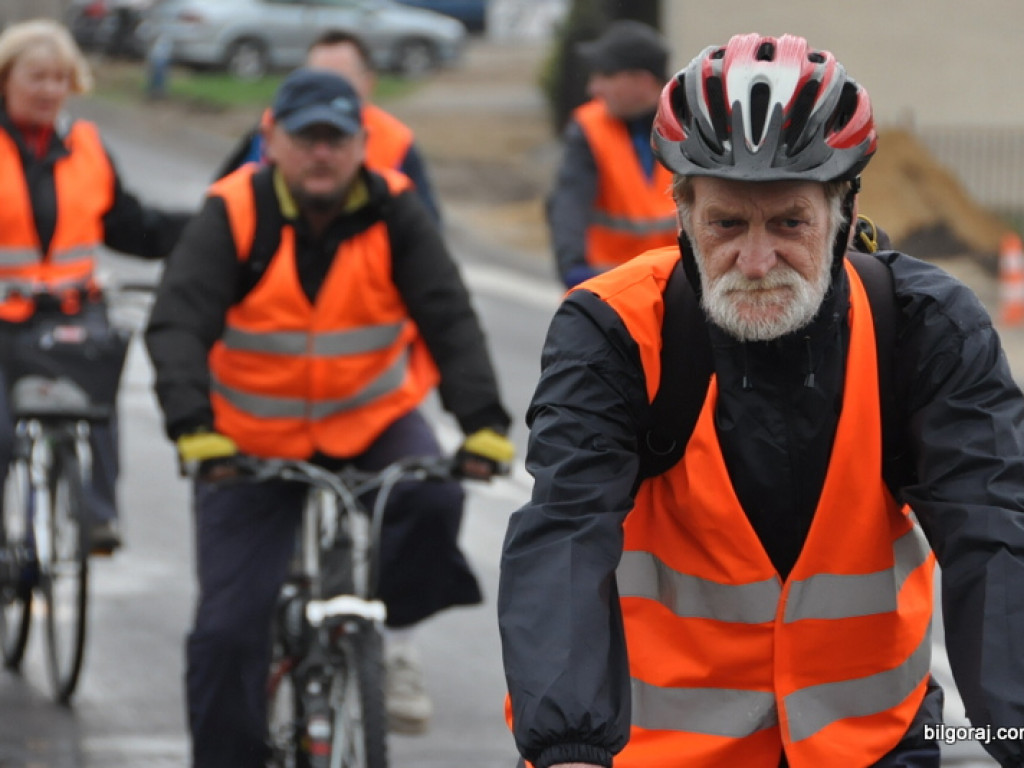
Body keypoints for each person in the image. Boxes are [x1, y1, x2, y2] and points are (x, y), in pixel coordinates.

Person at [499, 32, 1024, 768]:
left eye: (789, 224)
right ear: (681, 212)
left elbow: (996, 533)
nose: (756, 260)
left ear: (842, 211)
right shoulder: (612, 328)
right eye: (725, 224)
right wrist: (568, 746)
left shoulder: (925, 325)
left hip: (870, 741)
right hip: (666, 752)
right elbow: (564, 532)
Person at [144, 67, 515, 767]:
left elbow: (448, 315)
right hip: (247, 445)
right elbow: (176, 324)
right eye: (306, 137)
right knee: (228, 633)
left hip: (369, 419)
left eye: (336, 139)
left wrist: (483, 420)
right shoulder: (232, 212)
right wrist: (195, 426)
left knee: (436, 496)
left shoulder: (395, 208)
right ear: (271, 140)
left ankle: (382, 630)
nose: (322, 152)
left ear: (360, 146)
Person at [0, 18, 189, 553]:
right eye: (37, 77)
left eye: (61, 78)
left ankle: (97, 515)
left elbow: (131, 225)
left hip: (71, 313)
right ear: (6, 79)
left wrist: (209, 226)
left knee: (95, 396)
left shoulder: (87, 146)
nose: (50, 91)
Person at [216, 28, 443, 223]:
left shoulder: (396, 141)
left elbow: (427, 228)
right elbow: (227, 208)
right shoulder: (272, 128)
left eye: (340, 80)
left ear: (368, 82)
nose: (326, 89)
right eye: (315, 79)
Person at [547, 19, 678, 289]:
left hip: (678, 287)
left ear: (643, 81)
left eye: (604, 75)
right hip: (607, 288)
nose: (593, 88)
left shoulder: (692, 126)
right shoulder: (588, 128)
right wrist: (571, 266)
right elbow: (569, 200)